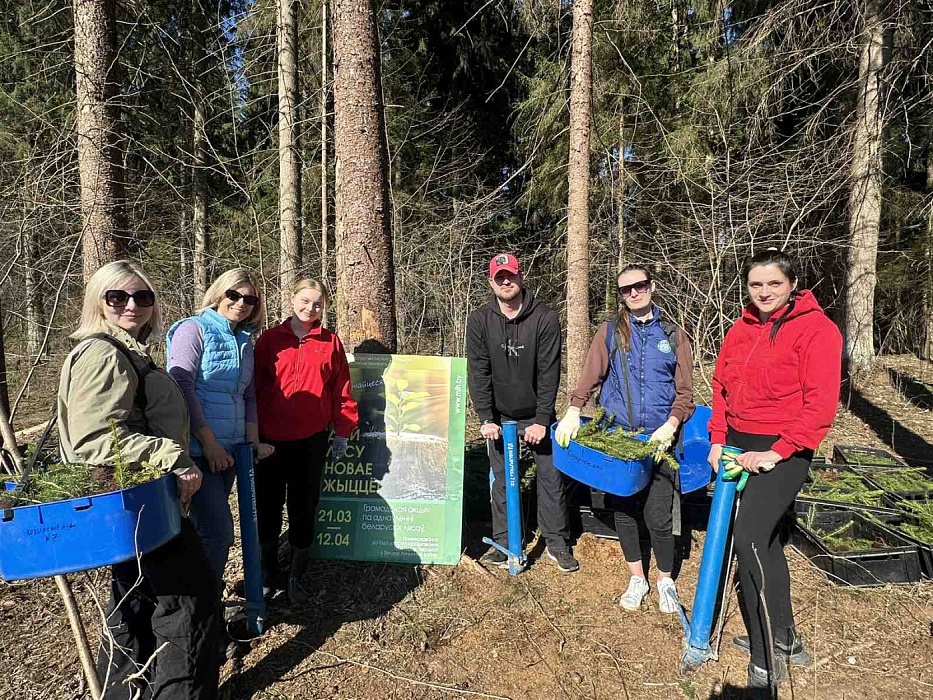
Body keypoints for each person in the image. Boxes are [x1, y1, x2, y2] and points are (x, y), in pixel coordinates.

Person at [58, 260, 218, 699]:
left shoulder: (128, 350)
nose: (132, 305)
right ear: (99, 301)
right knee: (187, 608)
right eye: (118, 297)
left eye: (143, 297)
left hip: (140, 504)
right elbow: (93, 440)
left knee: (135, 606)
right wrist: (174, 459)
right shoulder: (103, 353)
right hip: (140, 503)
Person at [707, 249, 842, 692]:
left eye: (774, 284)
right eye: (756, 285)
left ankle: (767, 661)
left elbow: (819, 404)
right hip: (738, 443)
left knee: (747, 538)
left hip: (784, 448)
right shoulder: (740, 328)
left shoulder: (817, 330)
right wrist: (716, 439)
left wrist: (778, 452)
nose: (764, 292)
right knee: (763, 542)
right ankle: (786, 636)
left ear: (792, 284)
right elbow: (721, 386)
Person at [555, 263, 695, 612]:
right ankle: (637, 577)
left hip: (660, 440)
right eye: (625, 289)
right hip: (619, 438)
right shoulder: (610, 333)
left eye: (640, 285)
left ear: (651, 286)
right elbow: (591, 374)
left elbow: (686, 392)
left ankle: (665, 580)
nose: (634, 293)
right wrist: (574, 409)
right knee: (625, 509)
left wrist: (672, 424)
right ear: (620, 295)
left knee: (659, 513)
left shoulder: (673, 334)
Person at [467, 253, 578, 573]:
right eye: (499, 277)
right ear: (491, 281)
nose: (505, 281)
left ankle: (557, 542)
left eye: (510, 276)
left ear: (520, 277)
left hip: (536, 415)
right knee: (502, 481)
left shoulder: (544, 317)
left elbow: (549, 372)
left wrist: (543, 419)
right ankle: (504, 543)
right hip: (500, 418)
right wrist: (486, 417)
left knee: (550, 478)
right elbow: (479, 372)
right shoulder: (479, 320)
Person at [167, 268, 273, 591]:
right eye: (234, 295)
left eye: (250, 299)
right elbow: (181, 387)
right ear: (219, 294)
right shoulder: (193, 329)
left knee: (207, 534)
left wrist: (252, 442)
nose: (241, 303)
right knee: (218, 532)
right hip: (199, 454)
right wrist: (208, 443)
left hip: (230, 454)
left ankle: (200, 605)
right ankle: (202, 608)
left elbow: (249, 395)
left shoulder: (244, 342)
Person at [253, 279, 359, 602]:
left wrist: (342, 432)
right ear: (292, 299)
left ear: (322, 307)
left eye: (316, 304)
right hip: (269, 442)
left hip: (310, 441)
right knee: (268, 506)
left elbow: (341, 391)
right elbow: (252, 391)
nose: (309, 309)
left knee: (304, 506)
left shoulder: (330, 343)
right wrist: (250, 434)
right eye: (304, 301)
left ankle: (297, 570)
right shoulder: (270, 340)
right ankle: (267, 569)